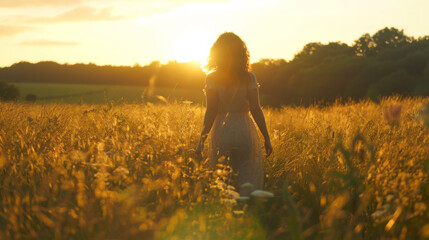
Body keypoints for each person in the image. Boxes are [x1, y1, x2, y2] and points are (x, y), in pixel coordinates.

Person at [195, 32, 272, 196]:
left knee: (223, 175)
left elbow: (211, 111)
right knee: (247, 174)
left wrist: (201, 139)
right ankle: (246, 210)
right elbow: (256, 109)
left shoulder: (212, 78)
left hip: (222, 129)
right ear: (242, 54)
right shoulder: (249, 78)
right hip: (244, 129)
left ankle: (227, 212)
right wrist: (266, 137)